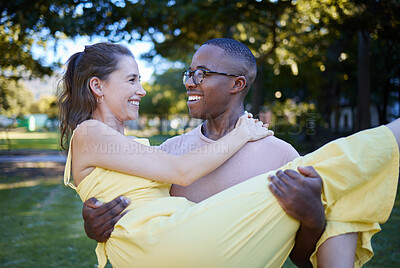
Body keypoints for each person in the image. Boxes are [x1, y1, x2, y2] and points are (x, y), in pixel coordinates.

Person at [61, 42, 399, 268]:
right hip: (173, 251)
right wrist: (97, 225)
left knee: (341, 179)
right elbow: (141, 199)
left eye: (201, 74)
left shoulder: (280, 154)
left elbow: (297, 255)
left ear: (237, 84)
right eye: (188, 73)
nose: (189, 83)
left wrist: (313, 218)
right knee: (345, 169)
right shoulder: (172, 149)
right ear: (97, 86)